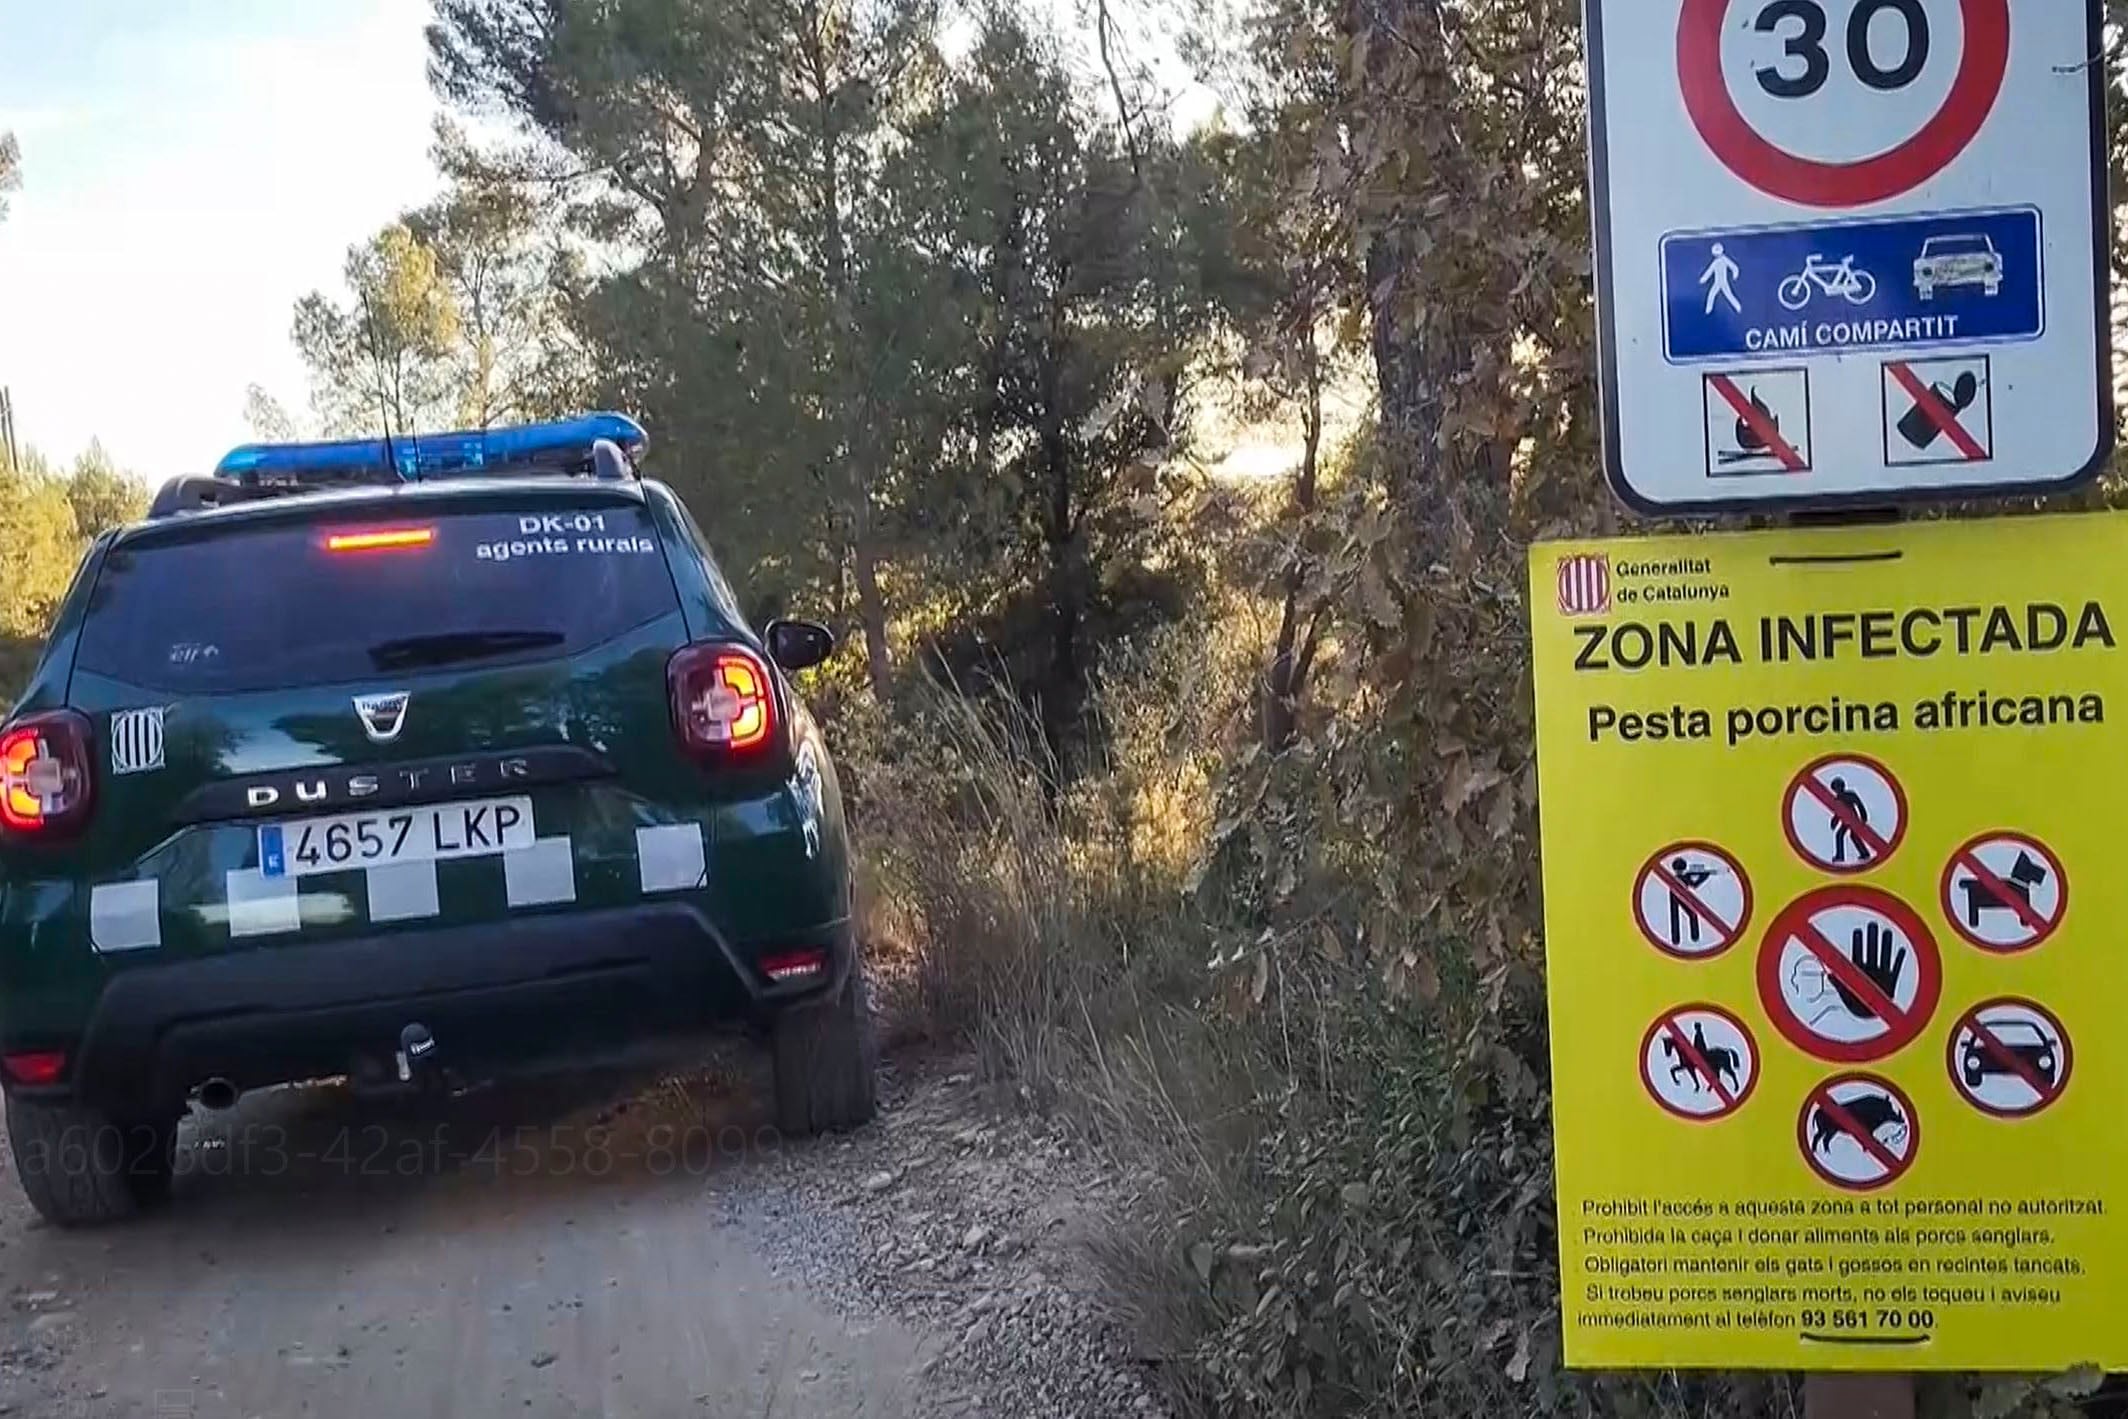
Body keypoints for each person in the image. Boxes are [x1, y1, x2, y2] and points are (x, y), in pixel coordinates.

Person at [1828, 776, 1871, 864]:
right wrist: (1834, 821)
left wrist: (1863, 817)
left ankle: (1864, 853)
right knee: (1841, 835)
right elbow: (1838, 813)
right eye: (1835, 788)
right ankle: (1841, 856)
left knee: (1853, 836)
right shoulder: (1838, 799)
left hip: (1853, 819)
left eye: (1838, 787)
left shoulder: (1850, 795)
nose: (1837, 790)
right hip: (1845, 820)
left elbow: (1859, 805)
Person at [1701, 242, 1742, 316]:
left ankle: (1738, 307)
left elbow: (1734, 267)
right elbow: (1710, 271)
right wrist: (1704, 279)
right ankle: (1708, 309)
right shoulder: (1715, 262)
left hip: (1723, 282)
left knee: (1729, 295)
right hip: (1717, 282)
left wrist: (1735, 274)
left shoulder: (1725, 259)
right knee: (1711, 294)